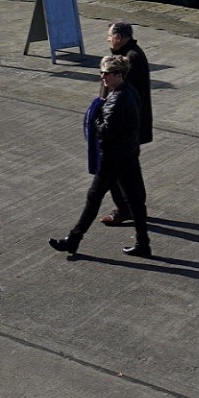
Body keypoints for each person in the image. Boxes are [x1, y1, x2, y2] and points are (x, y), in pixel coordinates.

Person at [50, 54, 151, 259]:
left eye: (105, 74)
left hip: (113, 158)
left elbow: (105, 131)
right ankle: (143, 243)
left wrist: (95, 116)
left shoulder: (116, 100)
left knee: (93, 198)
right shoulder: (129, 92)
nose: (102, 78)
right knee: (135, 201)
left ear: (117, 75)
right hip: (129, 155)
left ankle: (73, 240)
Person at [99, 23, 152, 228]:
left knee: (116, 171)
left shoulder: (130, 59)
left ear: (119, 37)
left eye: (110, 36)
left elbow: (120, 93)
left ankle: (126, 208)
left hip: (122, 128)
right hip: (129, 126)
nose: (108, 40)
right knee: (129, 170)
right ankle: (134, 208)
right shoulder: (133, 54)